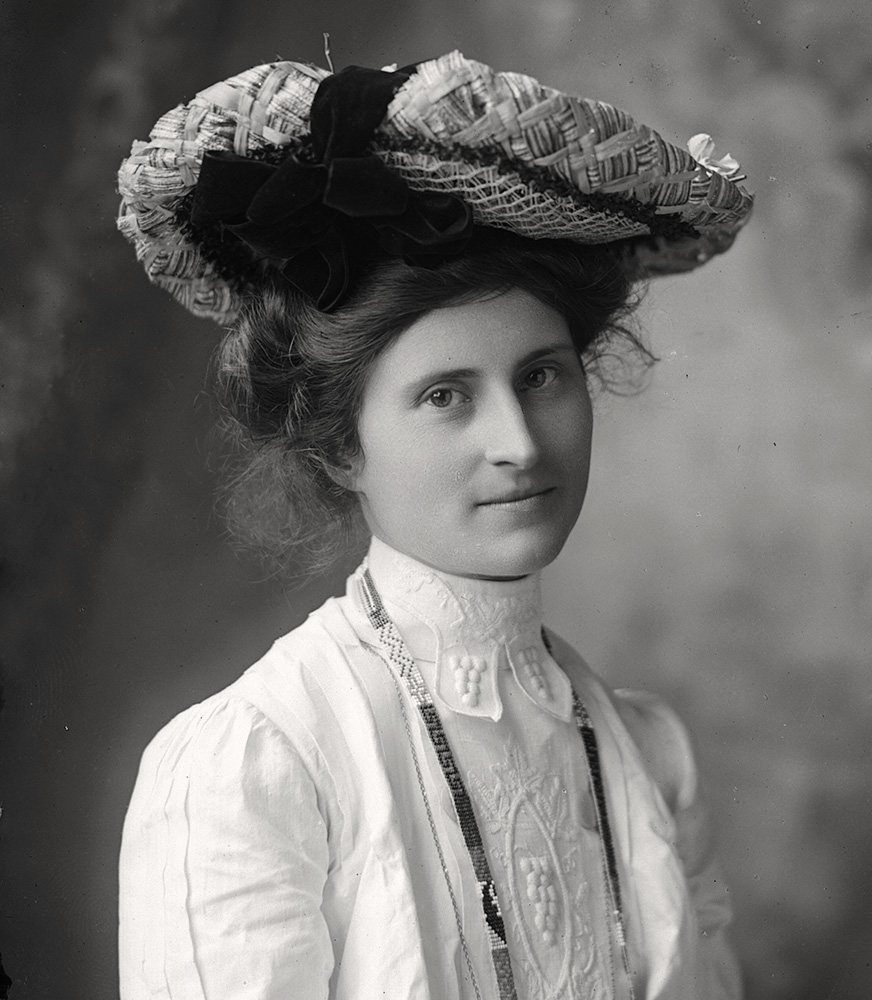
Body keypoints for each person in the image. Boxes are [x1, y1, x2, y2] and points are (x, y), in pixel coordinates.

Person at [116, 51, 753, 1000]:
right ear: (340, 449)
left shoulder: (647, 754)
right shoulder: (258, 766)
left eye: (542, 375)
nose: (519, 445)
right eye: (446, 396)